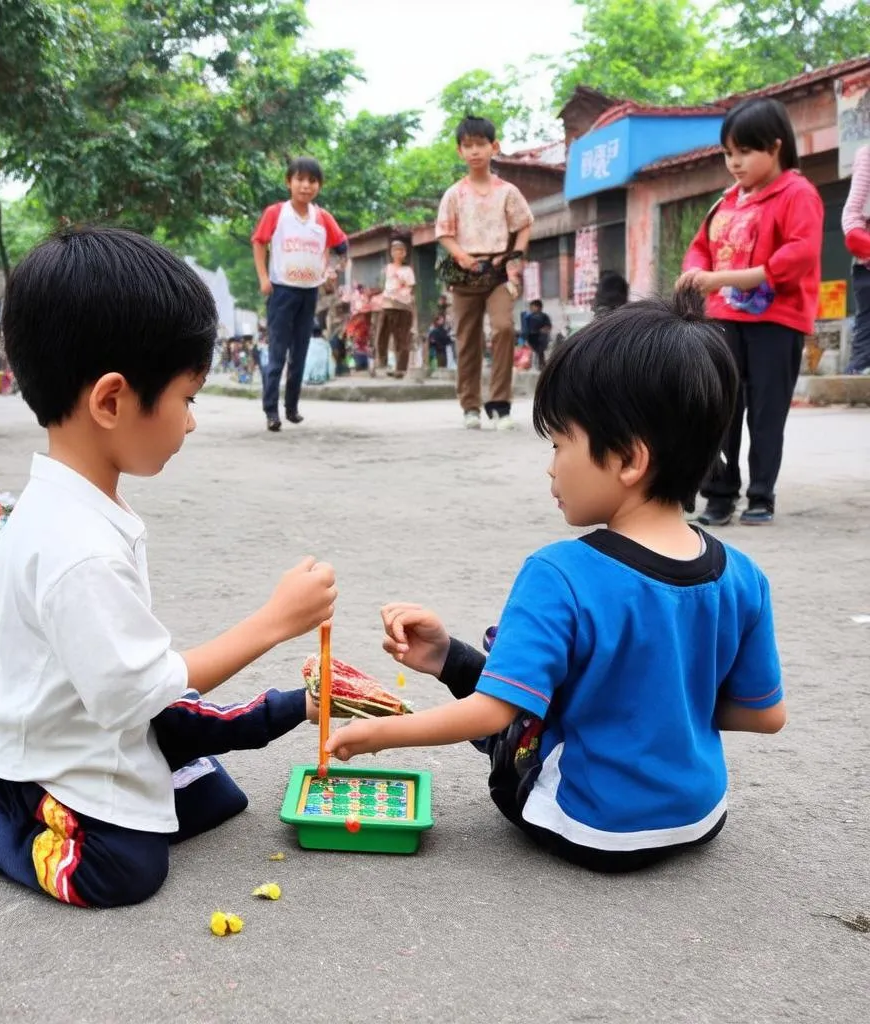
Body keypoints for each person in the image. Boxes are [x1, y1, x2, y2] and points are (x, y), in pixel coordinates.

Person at [0, 227, 338, 908]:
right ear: (112, 401)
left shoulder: (76, 504)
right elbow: (138, 694)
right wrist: (273, 623)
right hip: (53, 753)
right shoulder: (76, 545)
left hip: (94, 710)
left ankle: (17, 786)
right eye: (188, 397)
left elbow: (137, 685)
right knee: (124, 870)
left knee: (210, 797)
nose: (193, 422)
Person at [325, 290, 787, 873]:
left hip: (589, 824)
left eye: (559, 442)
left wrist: (381, 735)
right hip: (698, 818)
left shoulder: (560, 572)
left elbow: (493, 716)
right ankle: (454, 658)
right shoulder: (745, 576)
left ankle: (465, 664)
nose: (550, 465)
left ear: (627, 459)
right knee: (558, 681)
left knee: (523, 709)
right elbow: (764, 714)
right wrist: (665, 702)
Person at [678, 97, 823, 527]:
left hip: (777, 320)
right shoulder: (727, 201)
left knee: (766, 412)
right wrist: (693, 274)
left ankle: (761, 495)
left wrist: (724, 280)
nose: (734, 163)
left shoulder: (799, 194)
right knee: (718, 408)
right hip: (724, 317)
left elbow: (800, 253)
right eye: (728, 153)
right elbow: (700, 247)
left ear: (775, 147)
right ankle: (719, 494)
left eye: (744, 151)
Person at [436, 115, 533, 430]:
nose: (475, 151)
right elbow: (444, 232)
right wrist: (461, 256)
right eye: (468, 145)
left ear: (494, 147)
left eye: (480, 144)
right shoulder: (454, 194)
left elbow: (524, 224)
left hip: (498, 270)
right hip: (465, 272)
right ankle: (470, 406)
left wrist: (514, 256)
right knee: (468, 339)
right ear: (459, 151)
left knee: (504, 328)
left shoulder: (507, 191)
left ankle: (501, 404)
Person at [252, 157, 348, 432]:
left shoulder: (323, 217)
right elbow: (259, 242)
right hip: (282, 290)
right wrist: (263, 278)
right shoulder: (276, 213)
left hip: (310, 293)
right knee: (278, 353)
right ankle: (271, 411)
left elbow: (343, 246)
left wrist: (334, 270)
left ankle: (292, 407)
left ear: (319, 185)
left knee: (301, 353)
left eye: (312, 181)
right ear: (289, 182)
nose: (306, 186)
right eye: (300, 179)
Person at [842, 143, 870, 375]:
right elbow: (851, 216)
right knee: (867, 328)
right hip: (867, 263)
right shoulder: (867, 155)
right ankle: (855, 382)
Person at [376, 240, 416, 378]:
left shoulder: (408, 270)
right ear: (391, 253)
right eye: (395, 250)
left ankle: (401, 369)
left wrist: (401, 293)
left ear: (404, 253)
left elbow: (410, 287)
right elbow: (381, 285)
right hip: (387, 305)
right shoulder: (386, 268)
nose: (397, 253)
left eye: (400, 250)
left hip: (402, 307)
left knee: (401, 338)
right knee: (382, 336)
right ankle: (382, 364)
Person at [520, 299, 552, 369]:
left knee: (540, 352)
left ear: (539, 307)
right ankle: (530, 364)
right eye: (530, 307)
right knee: (531, 351)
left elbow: (548, 326)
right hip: (531, 337)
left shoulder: (544, 316)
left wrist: (543, 330)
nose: (531, 308)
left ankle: (541, 364)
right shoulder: (528, 317)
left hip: (540, 337)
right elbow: (525, 327)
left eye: (532, 307)